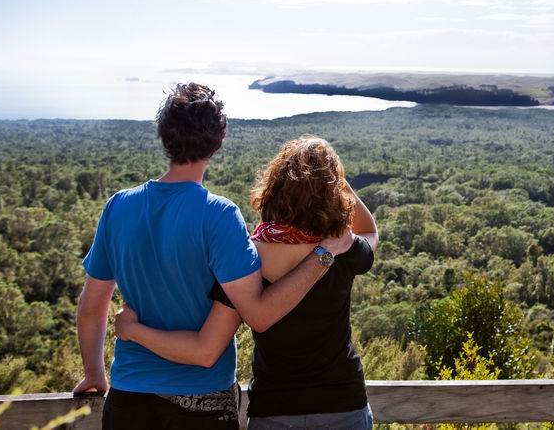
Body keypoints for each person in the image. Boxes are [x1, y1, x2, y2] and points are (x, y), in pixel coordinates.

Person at [74, 84, 352, 430]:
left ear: (164, 137)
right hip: (200, 404)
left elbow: (91, 308)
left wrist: (95, 374)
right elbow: (228, 336)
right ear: (216, 146)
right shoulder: (218, 215)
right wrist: (324, 251)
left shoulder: (118, 207)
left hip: (129, 398)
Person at [115, 135, 379, 430]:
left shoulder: (246, 257)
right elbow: (369, 231)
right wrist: (336, 181)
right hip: (343, 403)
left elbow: (206, 347)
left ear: (275, 189)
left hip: (275, 407)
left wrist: (132, 330)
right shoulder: (343, 247)